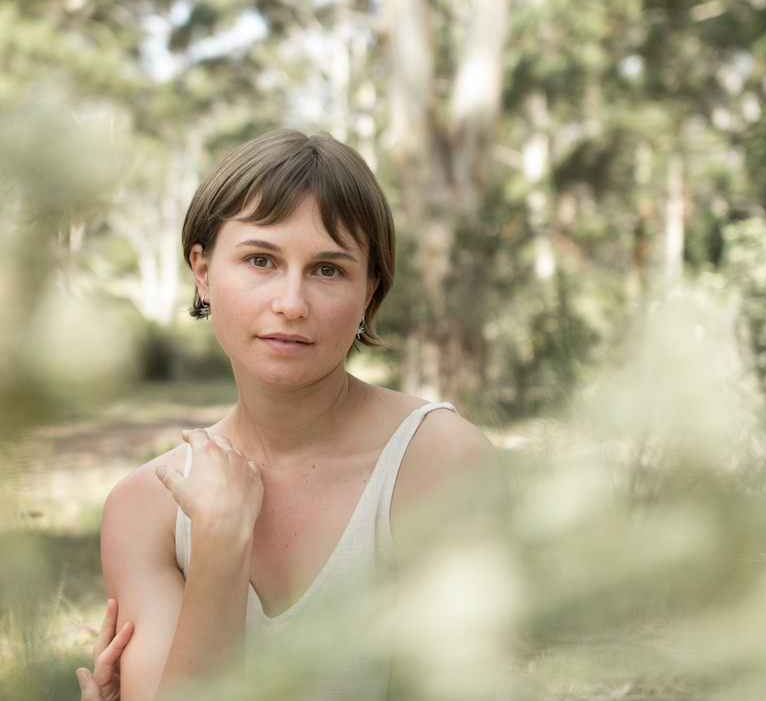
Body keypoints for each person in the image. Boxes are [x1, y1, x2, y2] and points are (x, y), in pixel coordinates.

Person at [78, 130, 495, 701]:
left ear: (370, 290)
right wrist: (220, 543)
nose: (291, 303)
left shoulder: (438, 463)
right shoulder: (144, 507)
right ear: (202, 272)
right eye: (260, 260)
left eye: (328, 270)